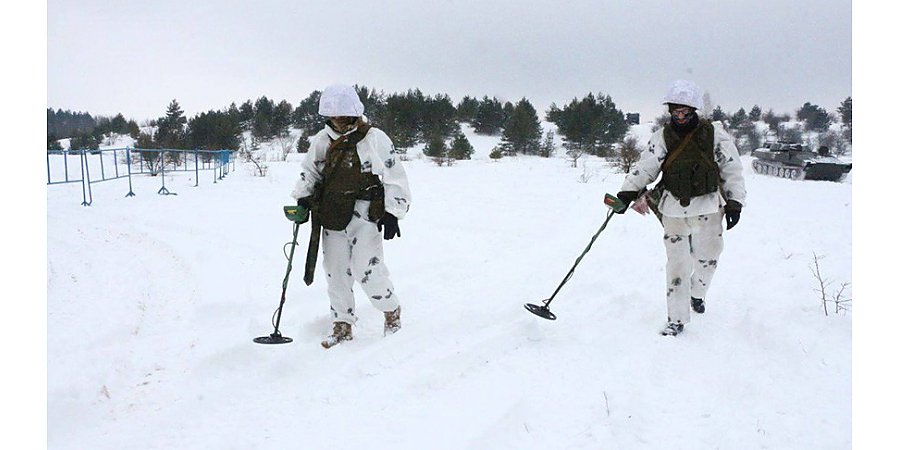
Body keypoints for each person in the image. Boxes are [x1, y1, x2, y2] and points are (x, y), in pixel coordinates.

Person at [616, 80, 747, 336]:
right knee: (677, 265)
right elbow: (646, 166)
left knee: (708, 260)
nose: (679, 116)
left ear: (693, 110)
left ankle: (697, 293)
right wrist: (627, 190)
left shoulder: (715, 135)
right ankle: (676, 319)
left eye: (684, 112)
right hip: (674, 210)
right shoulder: (663, 136)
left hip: (709, 208)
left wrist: (734, 202)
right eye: (675, 111)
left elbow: (732, 169)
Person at [291, 84, 411, 348]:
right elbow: (309, 172)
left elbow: (394, 175)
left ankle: (391, 312)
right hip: (331, 213)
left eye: (345, 116)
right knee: (335, 271)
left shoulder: (374, 138)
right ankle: (342, 324)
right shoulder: (322, 141)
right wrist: (302, 198)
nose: (340, 121)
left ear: (355, 114)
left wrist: (394, 212)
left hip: (366, 215)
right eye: (335, 117)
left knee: (367, 269)